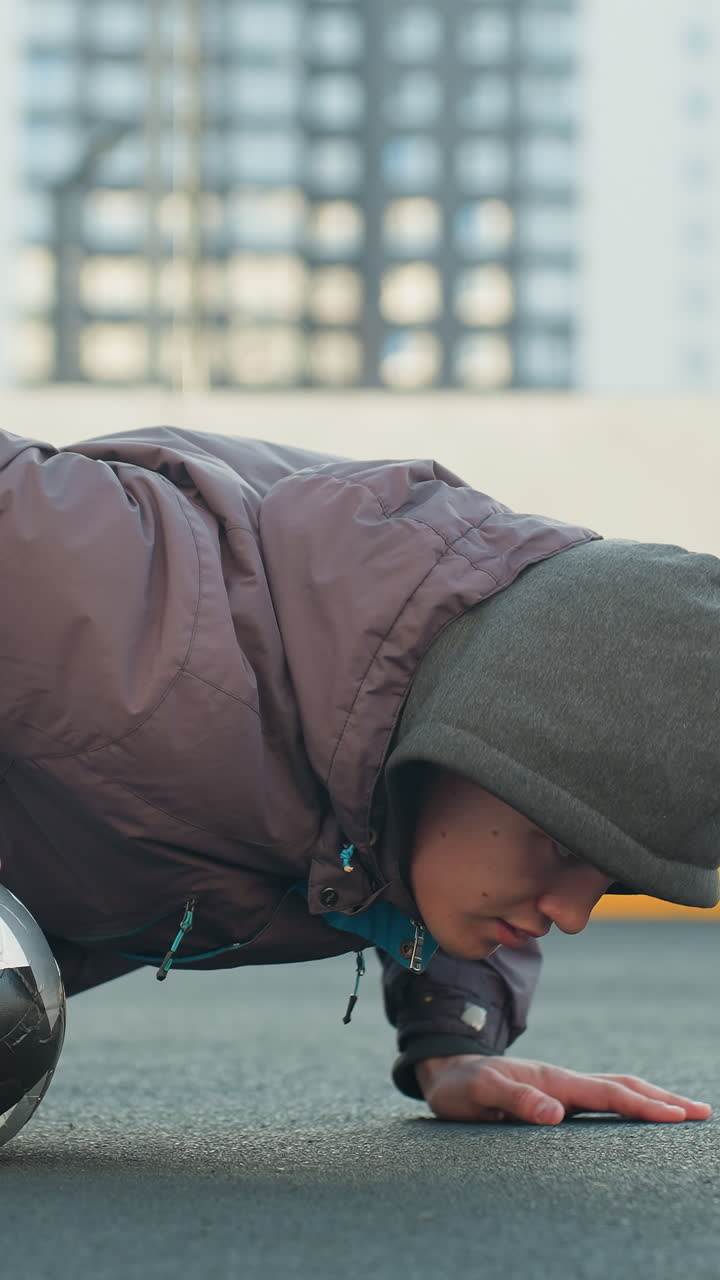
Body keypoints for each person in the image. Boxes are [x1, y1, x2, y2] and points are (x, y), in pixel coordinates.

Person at [0, 424, 716, 1129]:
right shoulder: (136, 611)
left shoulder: (433, 781)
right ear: (479, 733)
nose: (573, 914)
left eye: (610, 874)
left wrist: (456, 1041)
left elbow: (409, 852)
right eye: (565, 846)